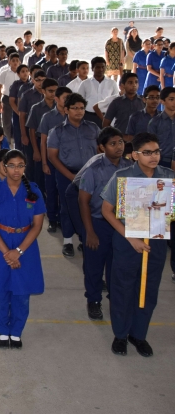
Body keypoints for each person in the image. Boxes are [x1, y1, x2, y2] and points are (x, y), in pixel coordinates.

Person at [101, 133, 172, 357]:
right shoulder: (123, 177)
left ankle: (139, 335)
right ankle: (120, 335)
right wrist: (130, 237)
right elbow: (106, 210)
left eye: (156, 152)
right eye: (147, 152)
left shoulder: (167, 177)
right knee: (123, 288)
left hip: (156, 241)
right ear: (135, 155)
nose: (154, 156)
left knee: (149, 289)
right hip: (127, 241)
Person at [0, 149, 46, 349]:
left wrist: (19, 252)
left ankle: (16, 332)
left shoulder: (34, 191)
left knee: (21, 292)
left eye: (20, 166)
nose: (16, 170)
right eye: (11, 166)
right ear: (3, 167)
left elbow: (37, 225)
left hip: (25, 244)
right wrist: (7, 253)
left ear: (25, 167)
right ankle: (2, 330)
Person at [77, 127, 132, 321]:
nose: (118, 147)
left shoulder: (130, 167)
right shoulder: (94, 169)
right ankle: (93, 300)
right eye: (112, 144)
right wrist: (89, 231)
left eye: (121, 142)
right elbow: (83, 201)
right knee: (94, 265)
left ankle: (115, 300)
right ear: (102, 147)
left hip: (122, 224)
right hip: (99, 223)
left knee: (117, 265)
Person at [47, 93, 100, 256]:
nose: (79, 111)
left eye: (82, 108)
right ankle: (68, 241)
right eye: (75, 108)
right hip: (67, 174)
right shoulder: (57, 131)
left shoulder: (93, 128)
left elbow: (101, 150)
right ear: (66, 110)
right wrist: (70, 176)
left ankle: (85, 239)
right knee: (67, 207)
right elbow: (52, 157)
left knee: (90, 207)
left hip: (91, 175)